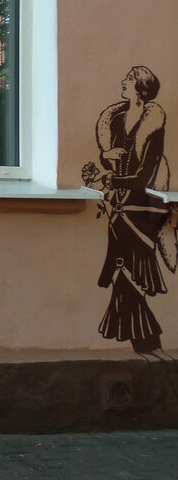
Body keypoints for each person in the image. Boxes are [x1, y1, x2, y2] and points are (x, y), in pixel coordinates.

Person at [82, 66, 173, 356]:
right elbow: (111, 160)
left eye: (129, 79)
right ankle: (147, 346)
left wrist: (111, 181)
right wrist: (105, 156)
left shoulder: (154, 127)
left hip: (139, 211)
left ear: (141, 89)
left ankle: (147, 345)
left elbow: (144, 177)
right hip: (116, 209)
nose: (123, 81)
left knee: (132, 276)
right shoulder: (117, 120)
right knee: (122, 275)